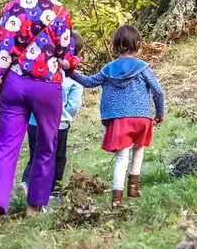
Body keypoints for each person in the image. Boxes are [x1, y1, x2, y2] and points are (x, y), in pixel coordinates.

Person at [0, 0, 79, 229]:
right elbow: (66, 57)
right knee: (46, 146)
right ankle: (34, 206)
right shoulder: (60, 12)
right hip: (46, 87)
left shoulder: (13, 6)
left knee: (6, 148)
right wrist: (72, 62)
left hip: (14, 85)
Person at [72, 26, 167, 203]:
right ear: (138, 45)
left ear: (115, 46)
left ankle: (117, 196)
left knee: (122, 156)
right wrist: (160, 112)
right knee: (139, 149)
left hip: (119, 119)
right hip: (142, 117)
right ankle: (134, 187)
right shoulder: (143, 67)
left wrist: (70, 72)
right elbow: (158, 91)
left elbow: (89, 82)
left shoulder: (108, 69)